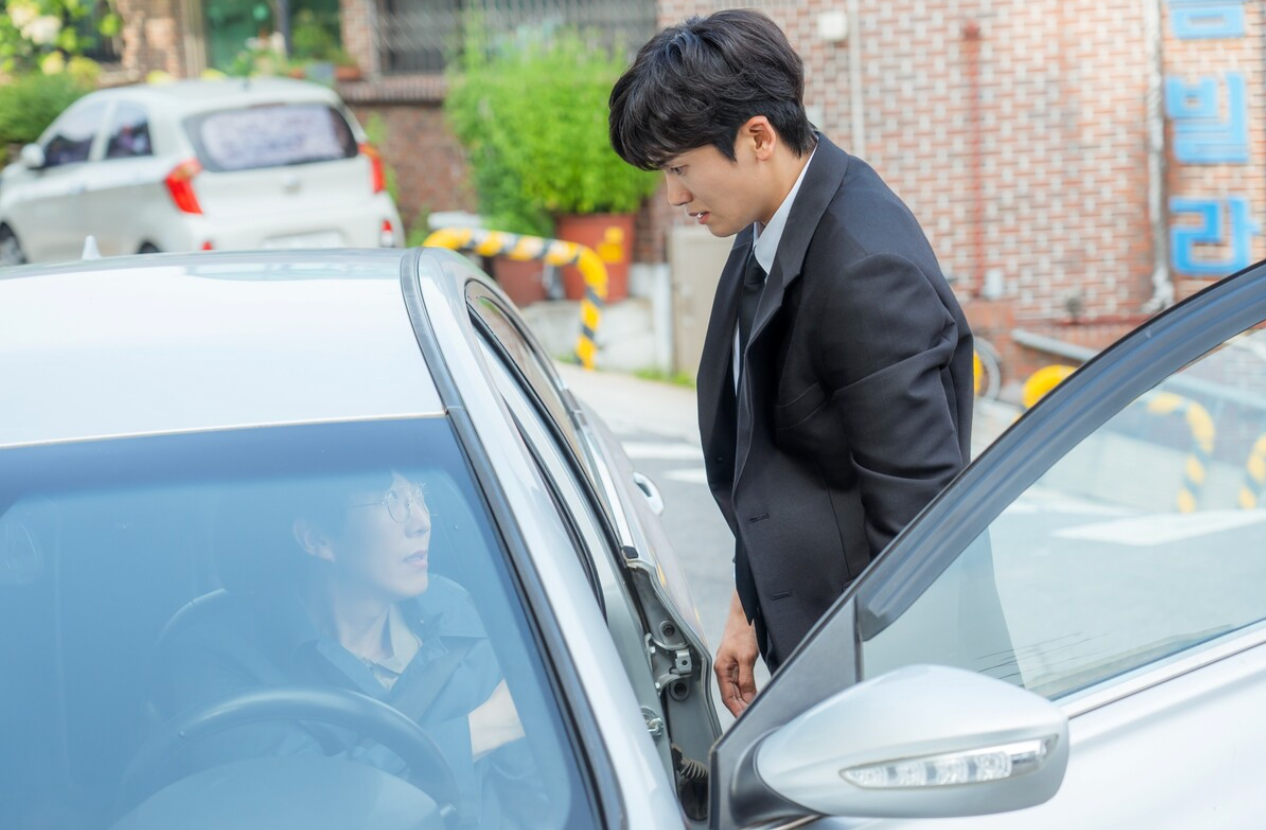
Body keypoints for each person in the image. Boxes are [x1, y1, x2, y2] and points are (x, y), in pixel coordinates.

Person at [609, 10, 973, 715]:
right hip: (818, 652)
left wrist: (878, 719)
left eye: (680, 169)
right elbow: (774, 456)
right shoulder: (768, 219)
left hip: (881, 683)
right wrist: (749, 608)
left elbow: (919, 528)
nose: (674, 196)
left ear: (757, 138)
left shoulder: (865, 269)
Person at [152, 470, 536, 827]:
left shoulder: (455, 613)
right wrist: (482, 730)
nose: (421, 522)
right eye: (391, 500)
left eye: (417, 495)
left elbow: (529, 794)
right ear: (317, 540)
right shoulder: (216, 658)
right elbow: (299, 812)